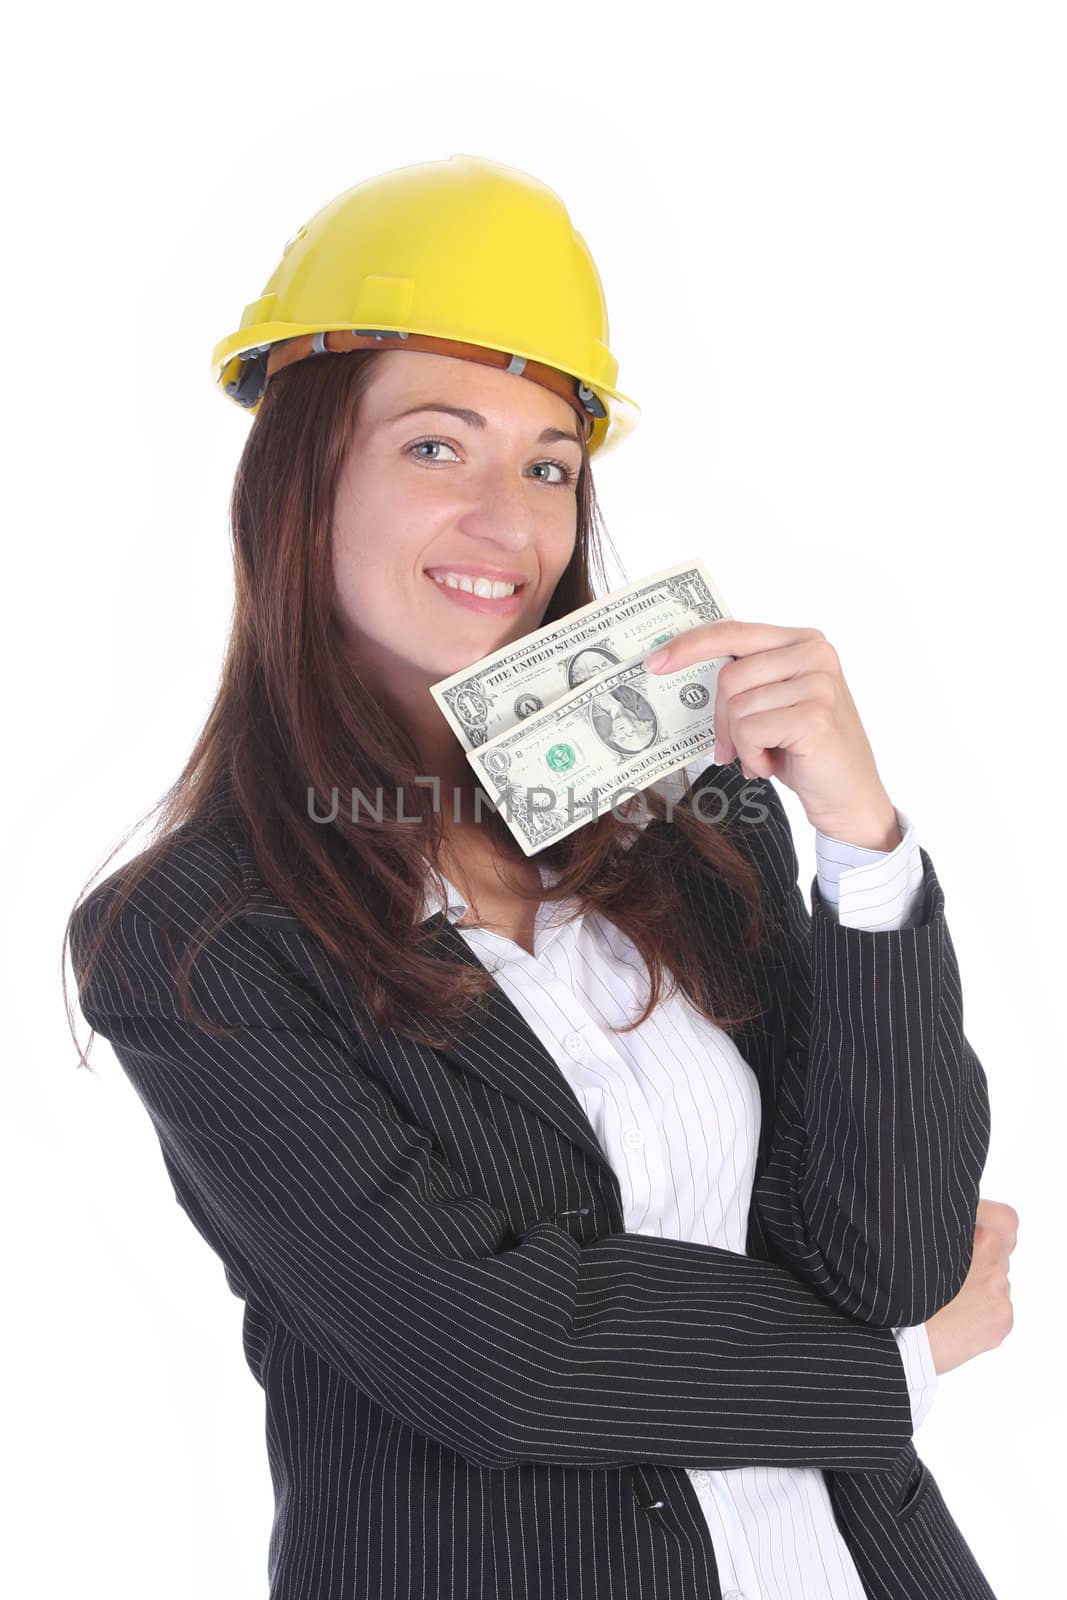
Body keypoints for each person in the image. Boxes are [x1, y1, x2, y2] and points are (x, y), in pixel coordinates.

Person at [64, 154, 1014, 1600]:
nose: (509, 520)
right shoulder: (194, 939)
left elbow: (893, 1249)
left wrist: (862, 847)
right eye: (436, 446)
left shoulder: (701, 835)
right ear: (302, 479)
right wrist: (902, 1360)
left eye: (549, 463)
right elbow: (498, 1361)